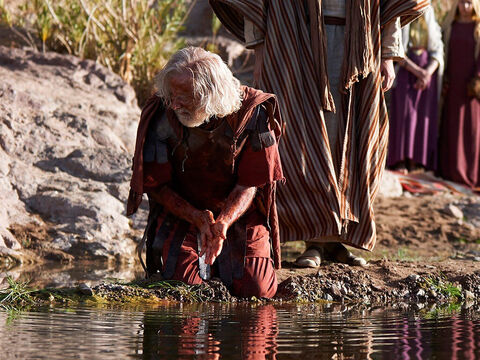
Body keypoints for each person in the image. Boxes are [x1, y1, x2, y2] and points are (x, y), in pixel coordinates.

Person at [209, 0, 429, 268]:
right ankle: (314, 241)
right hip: (295, 43)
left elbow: (390, 5)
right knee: (304, 138)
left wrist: (388, 55)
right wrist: (261, 52)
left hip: (360, 44)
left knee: (348, 137)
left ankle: (335, 240)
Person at [126, 47, 284, 298]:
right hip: (182, 215)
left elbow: (250, 183)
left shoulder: (252, 114)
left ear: (211, 96)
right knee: (185, 291)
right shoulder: (162, 112)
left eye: (185, 96)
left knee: (258, 291)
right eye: (172, 94)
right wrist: (197, 218)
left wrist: (223, 222)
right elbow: (155, 184)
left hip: (240, 217)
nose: (175, 103)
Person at [387, 6, 444, 173]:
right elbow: (397, 47)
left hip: (427, 74)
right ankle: (400, 160)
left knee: (422, 117)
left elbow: (437, 49)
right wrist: (418, 72)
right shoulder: (402, 11)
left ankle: (416, 160)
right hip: (406, 71)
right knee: (404, 116)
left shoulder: (430, 13)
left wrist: (427, 73)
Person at [438, 0, 480, 189]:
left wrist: (477, 79)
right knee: (452, 126)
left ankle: (470, 174)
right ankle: (451, 171)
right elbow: (443, 51)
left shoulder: (478, 28)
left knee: (471, 129)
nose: (465, 7)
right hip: (452, 84)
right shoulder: (449, 27)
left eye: (469, 3)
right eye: (462, 2)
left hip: (471, 87)